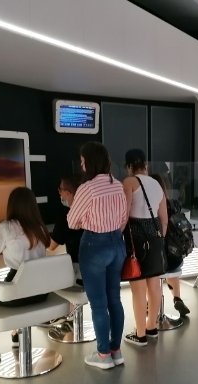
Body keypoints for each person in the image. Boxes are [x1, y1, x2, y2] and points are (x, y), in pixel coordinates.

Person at [0, 187, 51, 360]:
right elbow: (25, 251)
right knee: (12, 288)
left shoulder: (5, 228)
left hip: (16, 296)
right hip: (40, 293)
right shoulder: (40, 229)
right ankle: (16, 335)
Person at [67, 142, 128, 369]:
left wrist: (88, 221)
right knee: (115, 299)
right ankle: (116, 351)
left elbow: (72, 222)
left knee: (99, 304)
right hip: (117, 243)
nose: (82, 166)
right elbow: (123, 218)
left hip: (94, 245)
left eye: (83, 161)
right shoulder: (118, 185)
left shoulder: (87, 188)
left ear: (90, 162)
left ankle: (103, 355)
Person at [122, 149, 168, 346]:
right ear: (145, 165)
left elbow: (124, 215)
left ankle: (140, 334)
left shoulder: (129, 182)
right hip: (155, 238)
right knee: (154, 285)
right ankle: (151, 328)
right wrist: (158, 239)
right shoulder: (157, 184)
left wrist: (118, 236)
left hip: (136, 239)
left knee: (138, 289)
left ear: (129, 166)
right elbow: (164, 219)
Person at [150, 173, 191, 316]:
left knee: (150, 268)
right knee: (171, 263)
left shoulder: (149, 208)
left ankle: (150, 304)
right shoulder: (174, 204)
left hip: (157, 261)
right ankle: (177, 298)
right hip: (176, 257)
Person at [49, 173, 84, 283]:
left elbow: (51, 246)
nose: (59, 193)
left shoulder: (66, 216)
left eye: (60, 189)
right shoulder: (93, 210)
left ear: (68, 193)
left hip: (78, 273)